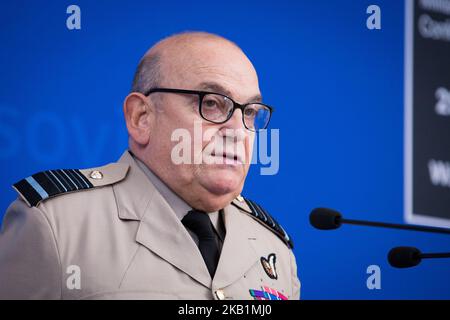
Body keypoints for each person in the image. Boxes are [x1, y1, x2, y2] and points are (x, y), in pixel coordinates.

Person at [0, 31, 300, 300]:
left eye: (250, 113)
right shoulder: (56, 225)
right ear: (141, 117)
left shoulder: (273, 247)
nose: (238, 131)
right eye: (211, 103)